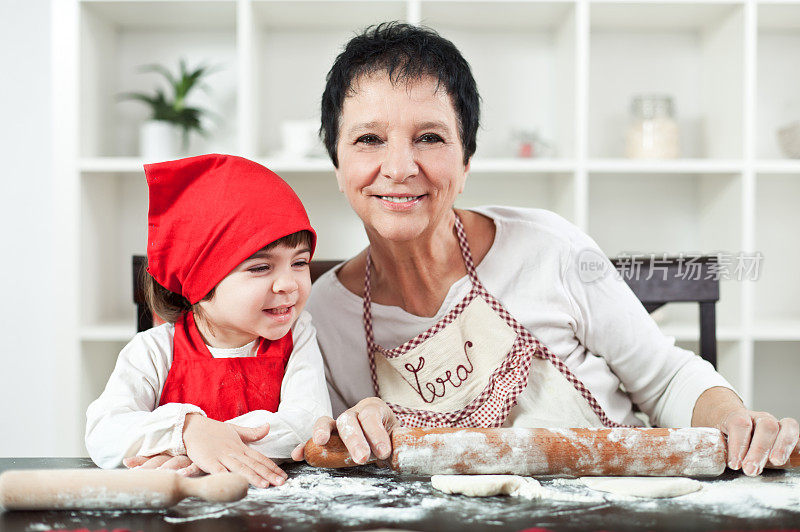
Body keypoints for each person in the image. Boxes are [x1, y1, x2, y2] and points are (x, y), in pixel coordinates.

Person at [294, 22, 799, 477]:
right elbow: (337, 456)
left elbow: (665, 380)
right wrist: (351, 429)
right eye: (369, 139)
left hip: (614, 507)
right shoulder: (323, 315)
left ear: (466, 162)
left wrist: (734, 420)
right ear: (337, 167)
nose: (400, 167)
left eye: (429, 137)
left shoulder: (547, 247)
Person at [85, 154, 332, 488]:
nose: (289, 284)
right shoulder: (154, 350)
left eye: (300, 262)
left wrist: (205, 445)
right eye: (261, 267)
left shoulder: (299, 335)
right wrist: (188, 431)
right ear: (201, 283)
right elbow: (104, 432)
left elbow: (306, 425)